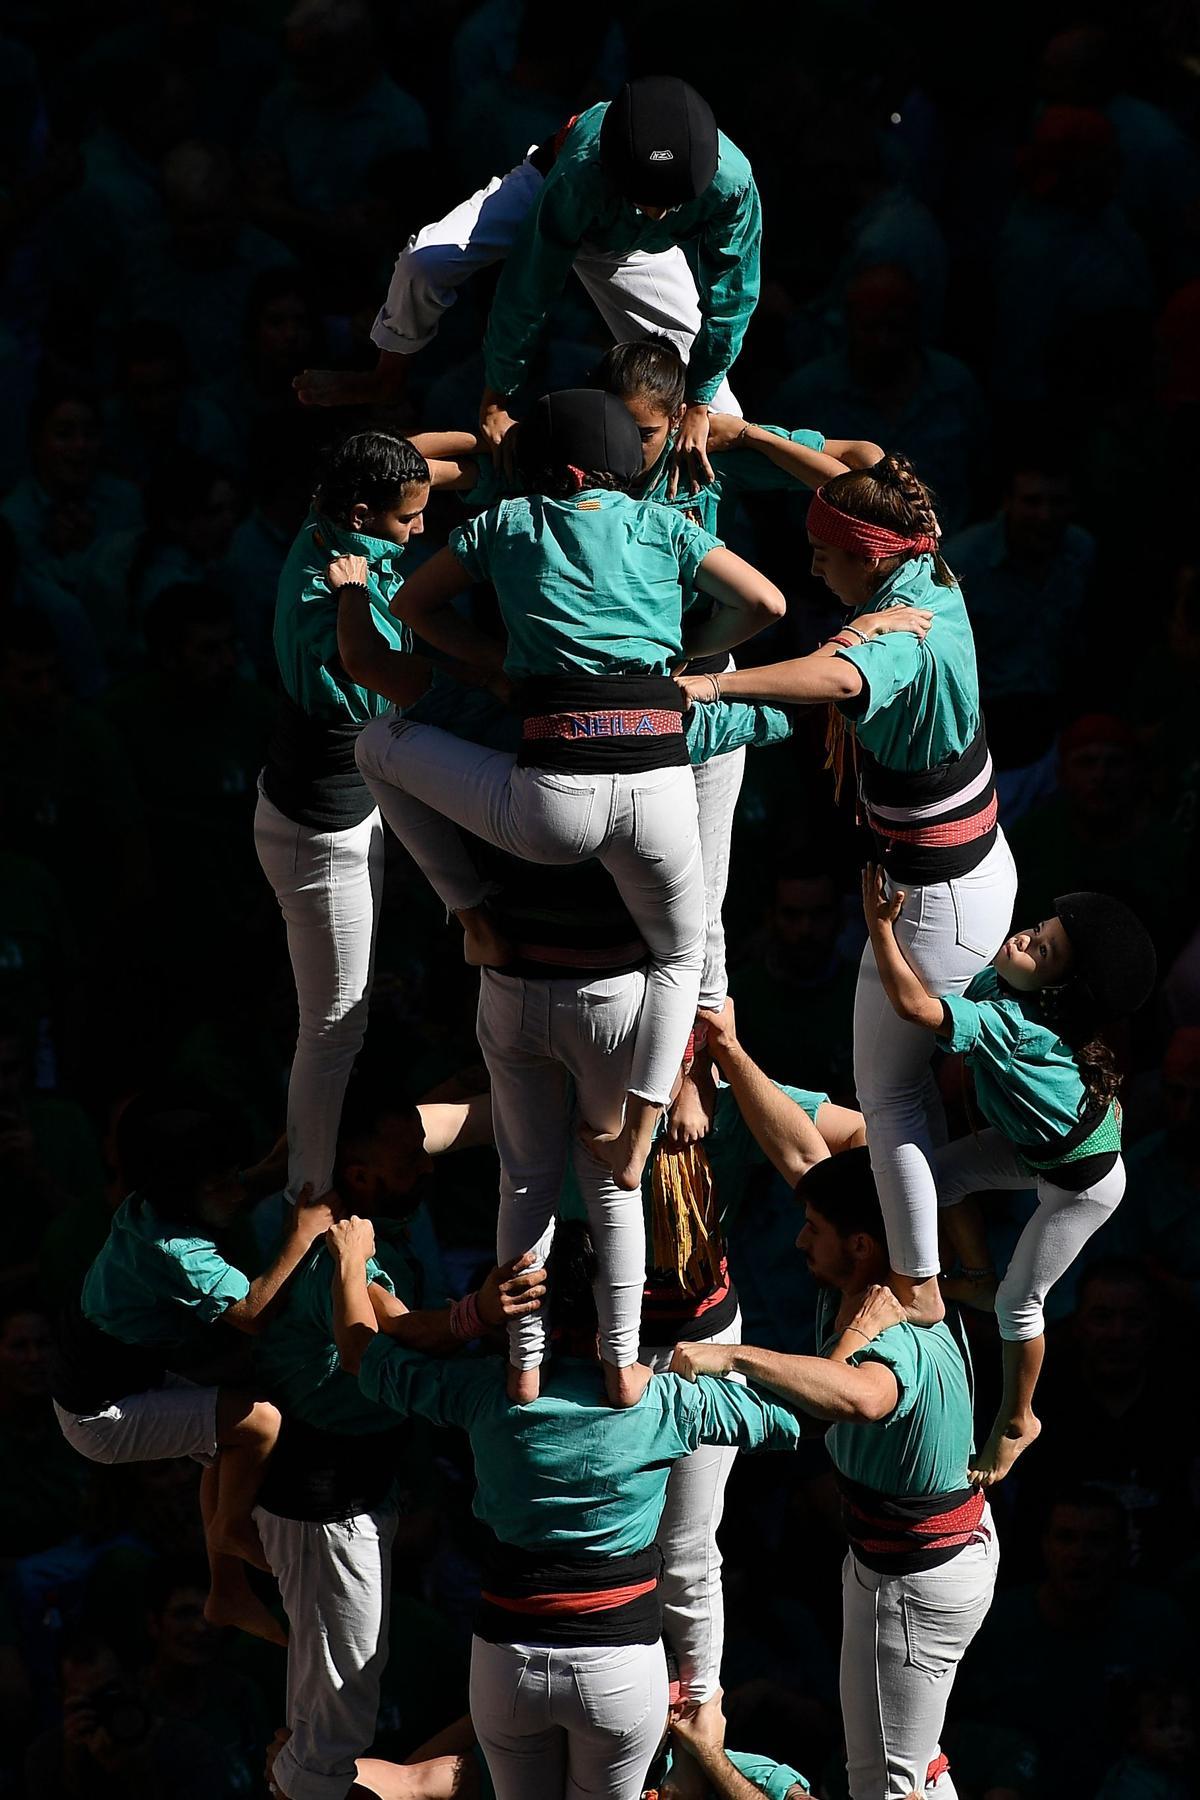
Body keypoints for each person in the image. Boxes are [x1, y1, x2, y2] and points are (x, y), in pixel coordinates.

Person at [347, 389, 788, 1207]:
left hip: (545, 806)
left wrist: (490, 668)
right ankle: (642, 1134)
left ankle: (471, 914)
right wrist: (685, 662)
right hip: (657, 786)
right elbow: (769, 603)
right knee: (681, 958)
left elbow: (410, 608)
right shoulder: (664, 525)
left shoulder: (504, 523)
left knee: (378, 747)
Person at [677, 455, 1016, 1324]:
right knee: (908, 1097)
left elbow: (834, 677)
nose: (812, 566)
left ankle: (920, 1291)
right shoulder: (927, 560)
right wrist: (747, 431)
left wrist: (710, 684)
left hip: (934, 904)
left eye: (825, 553)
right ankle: (959, 1261)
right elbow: (865, 474)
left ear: (868, 557)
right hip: (977, 873)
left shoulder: (896, 635)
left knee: (893, 1104)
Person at [330, 1215, 804, 1800]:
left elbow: (358, 1351)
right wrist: (720, 1361)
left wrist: (352, 1259)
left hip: (508, 1658)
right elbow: (787, 1418)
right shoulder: (666, 1403)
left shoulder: (480, 1392)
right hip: (621, 1667)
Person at [672, 1150, 998, 1800]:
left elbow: (863, 1398)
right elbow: (800, 1149)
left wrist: (735, 1353)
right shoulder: (875, 1285)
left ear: (858, 1243)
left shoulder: (893, 1332)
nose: (798, 1239)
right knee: (893, 1765)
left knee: (890, 1784)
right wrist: (732, 1056)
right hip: (911, 1561)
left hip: (914, 1580)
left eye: (812, 1226)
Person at [252, 1074, 542, 1800]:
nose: (426, 1167)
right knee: (342, 1706)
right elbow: (397, 1330)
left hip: (365, 1481)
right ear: (360, 1174)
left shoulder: (386, 1209)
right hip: (324, 1499)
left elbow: (437, 1120)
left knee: (333, 1685)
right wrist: (479, 1312)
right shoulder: (333, 1247)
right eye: (409, 1160)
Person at [296, 77, 759, 482]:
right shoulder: (582, 173)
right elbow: (530, 287)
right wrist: (496, 400)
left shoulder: (732, 185)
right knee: (424, 263)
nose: (656, 211)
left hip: (632, 249)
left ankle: (688, 534)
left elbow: (732, 295)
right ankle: (384, 377)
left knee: (719, 413)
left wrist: (697, 401)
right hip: (547, 190)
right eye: (644, 198)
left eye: (669, 202)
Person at [863, 875, 1157, 1481]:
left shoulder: (1020, 1027)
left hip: (1082, 1182)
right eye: (1038, 930)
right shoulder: (1005, 980)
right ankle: (973, 1274)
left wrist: (880, 927)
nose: (1025, 937)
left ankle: (1019, 1418)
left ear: (1060, 992)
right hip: (1039, 1146)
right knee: (933, 1183)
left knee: (1018, 1305)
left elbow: (915, 1008)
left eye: (1042, 951)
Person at [626, 994, 862, 1709]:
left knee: (689, 1548)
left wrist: (725, 1062)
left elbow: (848, 1142)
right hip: (602, 1341)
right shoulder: (583, 1087)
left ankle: (699, 1706)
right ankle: (628, 1695)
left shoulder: (729, 1094)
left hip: (701, 1334)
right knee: (613, 1535)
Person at [54, 1098, 333, 1643]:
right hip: (103, 1413)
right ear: (186, 1189)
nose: (237, 1190)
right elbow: (252, 1313)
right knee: (261, 1425)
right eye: (222, 1181)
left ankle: (225, 1593)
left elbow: (250, 1179)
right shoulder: (174, 1250)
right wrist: (301, 1234)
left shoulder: (157, 1203)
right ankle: (230, 1528)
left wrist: (297, 1140)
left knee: (224, 1444)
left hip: (117, 1382)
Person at [253, 432, 433, 1204]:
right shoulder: (332, 612)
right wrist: (359, 597)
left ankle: (296, 1156)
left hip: (343, 814)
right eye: (408, 519)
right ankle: (307, 1196)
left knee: (335, 1022)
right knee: (334, 1025)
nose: (422, 528)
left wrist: (503, 437)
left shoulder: (328, 525)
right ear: (363, 514)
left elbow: (428, 452)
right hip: (318, 837)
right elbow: (381, 678)